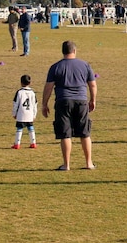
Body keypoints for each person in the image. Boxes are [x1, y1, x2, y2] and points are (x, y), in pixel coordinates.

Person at [41, 40, 97, 171]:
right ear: (75, 51)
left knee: (65, 134)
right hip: (81, 101)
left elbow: (48, 87)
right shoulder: (85, 65)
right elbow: (92, 84)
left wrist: (44, 103)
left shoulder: (56, 67)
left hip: (63, 101)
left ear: (62, 52)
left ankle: (66, 164)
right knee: (85, 133)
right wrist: (93, 100)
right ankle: (89, 163)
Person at [11, 74, 38, 149]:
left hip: (21, 113)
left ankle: (17, 144)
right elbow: (35, 104)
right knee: (31, 127)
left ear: (21, 82)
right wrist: (34, 114)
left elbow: (15, 104)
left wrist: (14, 113)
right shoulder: (32, 92)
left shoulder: (19, 92)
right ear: (30, 83)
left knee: (19, 128)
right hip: (30, 113)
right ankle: (33, 143)